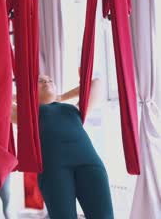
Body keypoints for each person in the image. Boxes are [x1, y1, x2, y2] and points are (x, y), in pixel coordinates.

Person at [13, 75, 114, 219]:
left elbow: (96, 83)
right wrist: (23, 97)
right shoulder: (28, 114)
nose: (46, 82)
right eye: (40, 81)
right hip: (54, 170)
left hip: (90, 164)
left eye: (49, 80)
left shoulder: (73, 108)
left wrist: (61, 97)